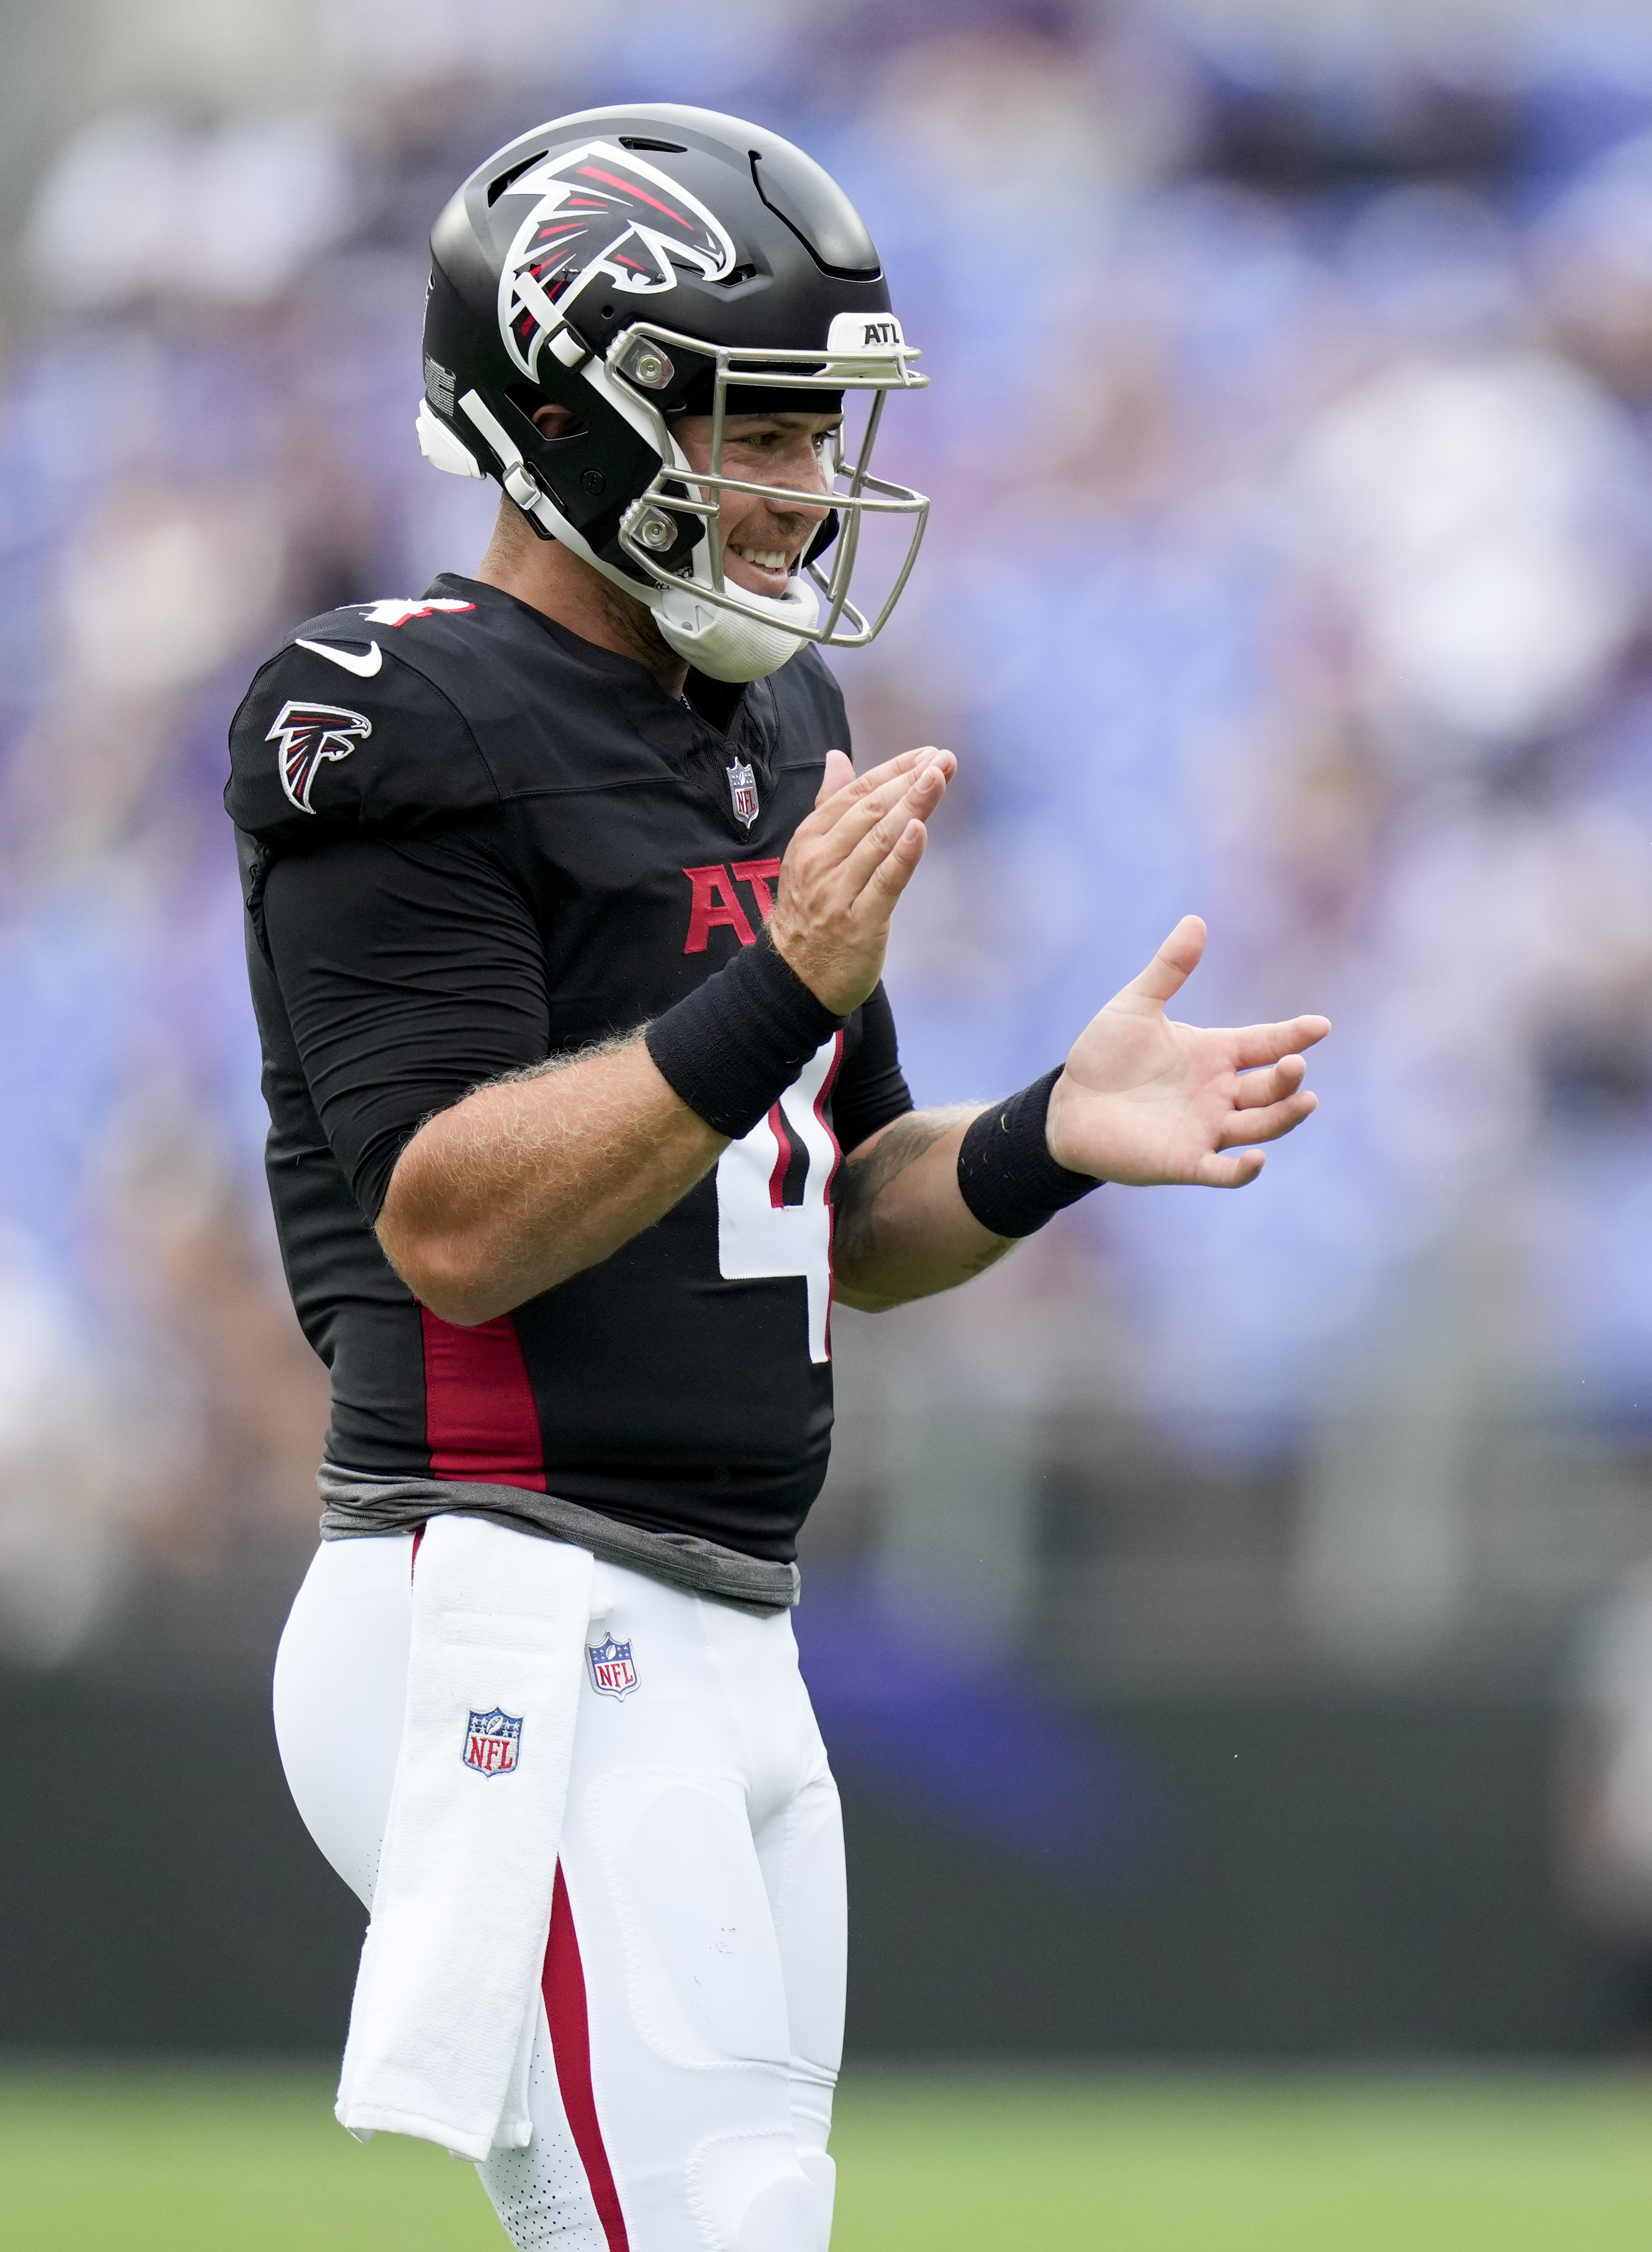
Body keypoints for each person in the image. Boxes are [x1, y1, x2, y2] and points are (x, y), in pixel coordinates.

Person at [239, 107, 1328, 2252]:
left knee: (712, 2217)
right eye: (749, 417)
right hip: (503, 1601)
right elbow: (447, 1224)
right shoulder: (397, 707)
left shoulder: (772, 713)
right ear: (558, 407)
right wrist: (780, 991)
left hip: (725, 1619)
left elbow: (831, 1213)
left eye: (817, 422)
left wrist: (1041, 1138)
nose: (807, 479)